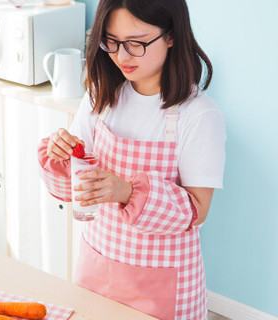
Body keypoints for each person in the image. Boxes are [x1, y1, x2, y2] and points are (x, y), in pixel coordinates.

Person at [37, 0, 226, 319]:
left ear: (171, 36)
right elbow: (75, 186)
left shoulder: (199, 114)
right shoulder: (100, 94)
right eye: (111, 41)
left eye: (136, 43)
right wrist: (62, 154)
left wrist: (127, 192)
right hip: (97, 268)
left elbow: (197, 211)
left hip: (161, 285)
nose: (121, 56)